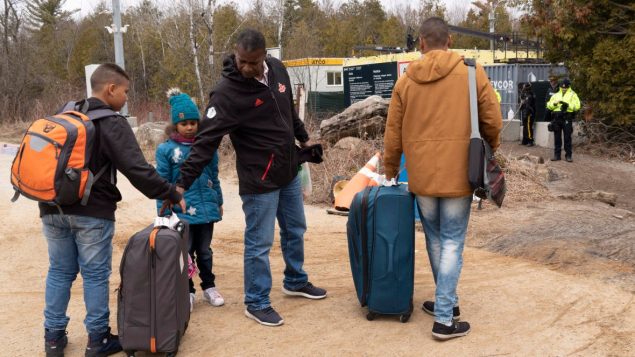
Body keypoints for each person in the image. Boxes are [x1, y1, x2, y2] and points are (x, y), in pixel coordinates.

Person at [171, 28, 326, 327]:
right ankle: (256, 301)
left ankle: (295, 280)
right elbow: (205, 143)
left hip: (288, 169)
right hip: (259, 181)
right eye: (241, 60)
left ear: (265, 56)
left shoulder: (278, 70)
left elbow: (289, 110)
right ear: (235, 53)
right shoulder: (226, 94)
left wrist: (304, 140)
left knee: (295, 228)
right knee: (259, 242)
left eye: (252, 62)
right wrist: (180, 184)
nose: (245, 67)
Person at [41, 63, 185, 357]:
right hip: (92, 212)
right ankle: (98, 340)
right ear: (110, 89)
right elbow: (137, 169)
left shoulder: (65, 112)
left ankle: (53, 338)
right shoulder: (111, 121)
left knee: (59, 271)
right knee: (94, 275)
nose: (126, 98)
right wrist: (169, 193)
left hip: (51, 207)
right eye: (125, 92)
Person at [383, 17, 502, 340]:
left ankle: (445, 303)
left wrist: (391, 169)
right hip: (459, 173)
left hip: (421, 175)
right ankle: (445, 318)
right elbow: (492, 117)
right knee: (451, 241)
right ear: (449, 40)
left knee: (435, 239)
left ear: (421, 43)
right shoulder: (470, 70)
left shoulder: (406, 81)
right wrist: (491, 148)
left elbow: (392, 134)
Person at [155, 88, 225, 312]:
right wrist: (163, 211)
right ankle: (187, 290)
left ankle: (209, 286)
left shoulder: (207, 147)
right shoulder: (166, 150)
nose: (190, 127)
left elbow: (214, 176)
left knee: (205, 251)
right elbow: (162, 182)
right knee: (184, 253)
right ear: (175, 125)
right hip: (181, 212)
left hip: (206, 211)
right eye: (184, 124)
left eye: (194, 123)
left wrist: (219, 201)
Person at [547, 78, 581, 162]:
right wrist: (554, 104)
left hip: (566, 117)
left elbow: (577, 106)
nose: (564, 89)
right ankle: (557, 155)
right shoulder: (556, 95)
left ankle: (568, 156)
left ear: (568, 87)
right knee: (557, 137)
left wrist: (568, 105)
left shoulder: (573, 94)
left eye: (565, 88)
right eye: (562, 88)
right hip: (557, 118)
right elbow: (549, 105)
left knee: (567, 137)